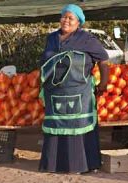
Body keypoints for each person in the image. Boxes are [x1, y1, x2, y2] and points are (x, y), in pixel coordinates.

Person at [39, 4, 109, 173]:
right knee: (56, 127)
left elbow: (103, 59)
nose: (66, 20)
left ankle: (82, 165)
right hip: (55, 93)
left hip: (79, 93)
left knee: (78, 126)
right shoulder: (52, 38)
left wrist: (104, 82)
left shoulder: (86, 39)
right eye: (64, 16)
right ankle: (53, 165)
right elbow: (46, 63)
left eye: (71, 18)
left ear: (79, 22)